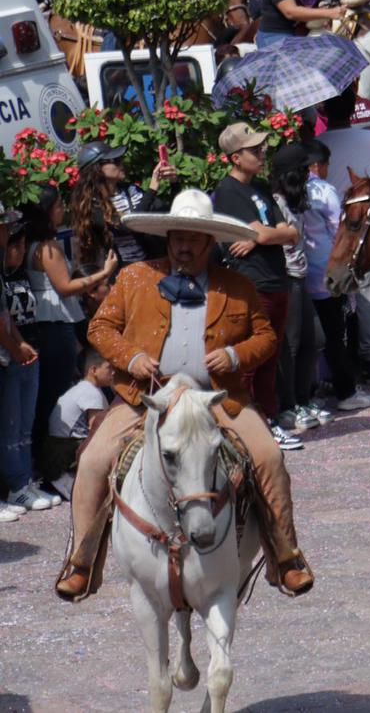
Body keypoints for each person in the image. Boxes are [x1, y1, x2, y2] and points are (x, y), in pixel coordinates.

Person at [54, 189, 314, 602]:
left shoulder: (237, 285)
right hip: (146, 397)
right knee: (92, 461)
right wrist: (132, 356)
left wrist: (234, 355)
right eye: (178, 236)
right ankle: (81, 563)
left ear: (210, 242)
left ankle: (286, 557)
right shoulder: (134, 277)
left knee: (269, 456)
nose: (184, 245)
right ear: (168, 237)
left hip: (218, 397)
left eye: (194, 238)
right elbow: (99, 328)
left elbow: (265, 336)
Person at [212, 124, 302, 447]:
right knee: (250, 360)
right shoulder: (227, 192)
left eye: (262, 149)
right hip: (252, 284)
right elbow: (267, 234)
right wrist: (263, 235)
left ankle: (268, 419)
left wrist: (261, 235)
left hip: (277, 280)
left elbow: (290, 232)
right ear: (235, 158)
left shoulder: (261, 188)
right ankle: (248, 427)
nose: (262, 154)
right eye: (254, 150)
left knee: (271, 357)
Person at [21, 188, 117, 482]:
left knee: (47, 395)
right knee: (55, 394)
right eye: (60, 205)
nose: (64, 209)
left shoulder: (30, 245)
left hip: (46, 324)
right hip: (54, 323)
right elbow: (65, 287)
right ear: (48, 211)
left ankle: (42, 462)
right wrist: (104, 273)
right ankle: (51, 463)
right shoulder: (47, 247)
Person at [316, 86, 370, 386]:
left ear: (323, 109)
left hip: (331, 224)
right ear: (352, 108)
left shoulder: (317, 143)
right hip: (368, 219)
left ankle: (340, 358)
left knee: (336, 292)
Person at [300, 141, 370, 412]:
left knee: (309, 336)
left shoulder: (289, 189)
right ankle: (346, 389)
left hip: (303, 270)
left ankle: (313, 388)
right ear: (317, 166)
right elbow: (338, 232)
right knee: (336, 334)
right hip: (328, 271)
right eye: (327, 165)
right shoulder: (325, 190)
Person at [271, 143, 325, 434]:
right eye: (304, 169)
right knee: (290, 345)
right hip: (287, 278)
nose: (309, 174)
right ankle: (287, 406)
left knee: (313, 340)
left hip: (300, 277)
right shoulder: (275, 202)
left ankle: (303, 399)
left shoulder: (295, 201)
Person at [1, 217, 54, 513]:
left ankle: (23, 480)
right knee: (9, 426)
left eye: (22, 245)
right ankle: (16, 485)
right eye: (14, 246)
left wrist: (24, 346)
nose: (20, 251)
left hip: (27, 352)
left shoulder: (18, 275)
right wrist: (15, 347)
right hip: (9, 357)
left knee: (25, 424)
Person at [70, 141, 177, 268]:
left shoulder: (131, 190)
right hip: (121, 275)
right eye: (115, 160)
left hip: (153, 266)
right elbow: (128, 226)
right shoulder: (93, 204)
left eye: (120, 159)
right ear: (97, 169)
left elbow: (169, 212)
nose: (121, 163)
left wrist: (174, 182)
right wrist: (153, 187)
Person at [42, 348, 111, 500]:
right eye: (109, 368)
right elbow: (97, 429)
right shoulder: (91, 392)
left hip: (56, 448)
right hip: (64, 453)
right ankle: (67, 478)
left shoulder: (81, 388)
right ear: (93, 370)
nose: (113, 373)